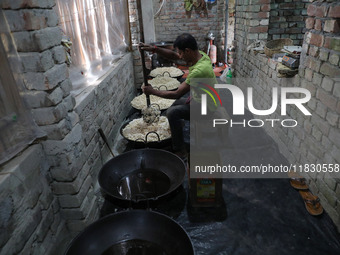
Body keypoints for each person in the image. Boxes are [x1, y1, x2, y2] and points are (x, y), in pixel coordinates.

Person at [140, 33, 217, 158]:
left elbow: (176, 93)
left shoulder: (199, 70)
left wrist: (152, 91)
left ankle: (180, 150)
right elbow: (174, 56)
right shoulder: (200, 56)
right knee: (175, 106)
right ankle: (177, 130)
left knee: (172, 112)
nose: (179, 56)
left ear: (188, 51)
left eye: (181, 53)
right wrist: (153, 49)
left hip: (207, 107)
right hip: (201, 99)